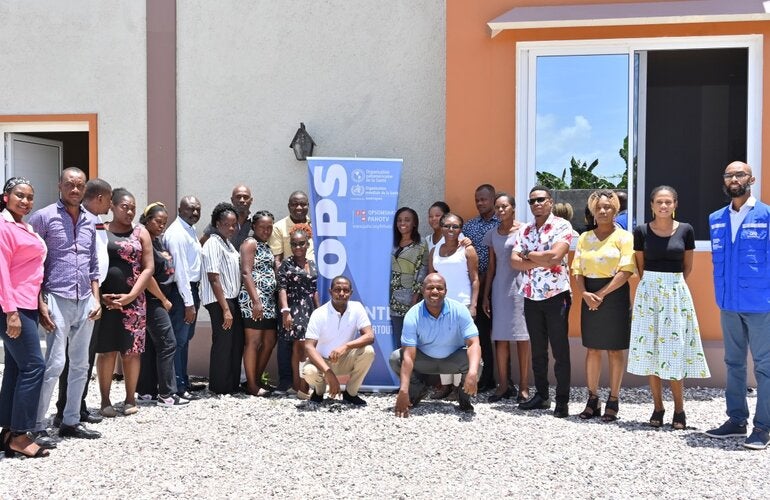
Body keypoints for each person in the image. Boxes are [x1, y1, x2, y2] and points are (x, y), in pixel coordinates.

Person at [627, 185, 709, 430]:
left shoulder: (686, 230)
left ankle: (680, 409)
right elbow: (640, 266)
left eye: (668, 202)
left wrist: (672, 287)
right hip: (648, 293)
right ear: (651, 205)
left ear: (675, 204)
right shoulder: (641, 231)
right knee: (651, 349)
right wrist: (652, 286)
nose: (663, 206)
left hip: (675, 293)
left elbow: (688, 267)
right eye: (659, 202)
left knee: (674, 349)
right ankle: (658, 407)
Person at [29, 167, 102, 443]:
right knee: (55, 363)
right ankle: (36, 426)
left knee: (81, 365)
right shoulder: (43, 218)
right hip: (56, 297)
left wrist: (96, 298)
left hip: (84, 299)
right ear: (59, 185)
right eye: (70, 184)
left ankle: (70, 421)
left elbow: (93, 264)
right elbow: (31, 264)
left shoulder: (89, 221)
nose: (75, 189)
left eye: (80, 185)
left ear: (84, 189)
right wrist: (40, 302)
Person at [705, 161, 770, 449]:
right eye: (729, 174)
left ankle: (763, 427)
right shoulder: (716, 218)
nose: (734, 179)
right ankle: (736, 420)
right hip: (728, 303)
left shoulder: (766, 215)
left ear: (751, 179)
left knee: (765, 366)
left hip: (760, 305)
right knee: (733, 363)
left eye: (739, 174)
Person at [53, 178, 112, 427]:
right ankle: (63, 411)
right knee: (67, 359)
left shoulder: (95, 220)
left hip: (92, 298)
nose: (111, 203)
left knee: (83, 360)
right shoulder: (80, 219)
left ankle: (78, 407)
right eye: (109, 199)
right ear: (100, 198)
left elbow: (96, 263)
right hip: (71, 297)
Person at [572, 190, 635, 422]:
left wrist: (601, 293)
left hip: (615, 296)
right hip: (589, 295)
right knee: (593, 348)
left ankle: (614, 399)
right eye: (599, 207)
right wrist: (586, 293)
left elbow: (627, 269)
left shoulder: (625, 237)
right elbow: (577, 269)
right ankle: (592, 398)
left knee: (615, 349)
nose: (603, 211)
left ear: (615, 209)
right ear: (592, 211)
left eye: (608, 207)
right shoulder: (584, 237)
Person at [511, 186, 573, 418]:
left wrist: (529, 255)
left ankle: (562, 401)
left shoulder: (562, 226)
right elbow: (514, 261)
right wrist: (541, 258)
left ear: (550, 201)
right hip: (531, 295)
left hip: (556, 296)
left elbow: (556, 257)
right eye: (532, 201)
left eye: (540, 199)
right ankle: (542, 396)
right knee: (537, 350)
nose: (536, 204)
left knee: (559, 350)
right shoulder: (525, 230)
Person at [0, 177, 49, 458]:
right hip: (12, 306)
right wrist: (11, 313)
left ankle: (7, 431)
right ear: (6, 197)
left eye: (30, 197)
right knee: (34, 366)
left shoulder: (24, 227)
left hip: (26, 304)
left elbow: (31, 272)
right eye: (20, 195)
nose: (26, 201)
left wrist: (39, 305)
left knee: (17, 368)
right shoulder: (3, 226)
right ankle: (20, 434)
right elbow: (2, 271)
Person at [95, 188, 154, 417]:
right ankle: (105, 401)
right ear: (112, 206)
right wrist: (99, 296)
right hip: (106, 301)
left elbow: (148, 268)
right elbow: (92, 262)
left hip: (134, 303)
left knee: (132, 352)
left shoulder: (141, 233)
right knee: (107, 351)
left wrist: (131, 296)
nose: (129, 211)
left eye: (133, 208)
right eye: (124, 206)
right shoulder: (101, 230)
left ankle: (130, 398)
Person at [390, 273, 481, 416]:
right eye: (430, 287)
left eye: (439, 288)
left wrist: (473, 373)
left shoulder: (459, 310)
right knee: (396, 357)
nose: (434, 291)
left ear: (446, 291)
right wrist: (403, 390)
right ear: (422, 290)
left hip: (453, 359)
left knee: (477, 363)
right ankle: (417, 390)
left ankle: (464, 398)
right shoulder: (413, 314)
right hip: (425, 360)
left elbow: (474, 343)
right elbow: (408, 354)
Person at [135, 203, 189, 407]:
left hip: (160, 299)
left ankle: (146, 391)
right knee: (168, 343)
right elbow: (147, 276)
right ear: (147, 219)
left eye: (164, 223)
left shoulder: (157, 241)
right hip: (153, 300)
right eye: (158, 221)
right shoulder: (144, 241)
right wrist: (164, 299)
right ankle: (167, 394)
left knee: (150, 346)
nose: (161, 226)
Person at [482, 193, 530, 403]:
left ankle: (525, 387)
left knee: (522, 337)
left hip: (520, 287)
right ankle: (503, 385)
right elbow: (491, 266)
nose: (500, 210)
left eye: (504, 206)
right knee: (500, 338)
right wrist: (486, 295)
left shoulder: (525, 230)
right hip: (500, 288)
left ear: (513, 208)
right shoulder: (493, 234)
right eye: (497, 207)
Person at [429, 213, 479, 399]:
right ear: (441, 227)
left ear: (460, 229)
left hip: (462, 304)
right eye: (447, 226)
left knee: (459, 347)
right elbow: (430, 279)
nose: (451, 230)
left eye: (455, 227)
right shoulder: (434, 250)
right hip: (439, 305)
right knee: (441, 344)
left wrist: (473, 305)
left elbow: (475, 279)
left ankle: (459, 387)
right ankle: (445, 385)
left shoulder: (467, 250)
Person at [303, 276, 375, 405]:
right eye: (337, 290)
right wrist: (328, 373)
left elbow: (370, 336)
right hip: (322, 362)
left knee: (368, 351)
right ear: (330, 292)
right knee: (309, 372)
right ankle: (319, 391)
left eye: (346, 290)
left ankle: (350, 393)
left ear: (351, 293)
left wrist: (346, 346)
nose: (341, 293)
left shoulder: (357, 308)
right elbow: (309, 347)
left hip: (345, 359)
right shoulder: (319, 313)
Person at [269, 190, 314, 395]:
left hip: (309, 293)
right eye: (295, 204)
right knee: (287, 341)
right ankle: (286, 381)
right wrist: (284, 280)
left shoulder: (316, 225)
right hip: (290, 292)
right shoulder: (279, 227)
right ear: (289, 206)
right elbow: (277, 258)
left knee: (305, 342)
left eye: (303, 204)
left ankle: (305, 383)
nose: (299, 208)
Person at [201, 202, 244, 395]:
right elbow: (213, 276)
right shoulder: (212, 242)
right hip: (220, 302)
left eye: (234, 224)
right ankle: (219, 387)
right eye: (227, 224)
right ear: (218, 224)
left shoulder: (227, 244)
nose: (232, 228)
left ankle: (231, 385)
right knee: (223, 343)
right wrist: (225, 308)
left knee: (234, 343)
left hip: (231, 300)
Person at [163, 195, 203, 398]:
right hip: (182, 293)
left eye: (197, 209)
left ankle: (183, 381)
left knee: (185, 339)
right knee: (179, 340)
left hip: (191, 290)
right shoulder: (177, 233)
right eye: (190, 209)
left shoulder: (190, 229)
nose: (194, 213)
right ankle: (177, 386)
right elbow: (181, 272)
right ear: (180, 210)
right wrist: (189, 303)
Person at [462, 184, 499, 392]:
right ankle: (486, 378)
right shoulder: (469, 226)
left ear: (493, 199)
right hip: (476, 286)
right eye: (477, 200)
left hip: (499, 285)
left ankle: (506, 379)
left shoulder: (502, 223)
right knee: (482, 333)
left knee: (502, 335)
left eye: (483, 199)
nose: (479, 203)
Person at [239, 210, 279, 396]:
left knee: (270, 340)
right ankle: (252, 385)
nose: (266, 230)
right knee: (253, 342)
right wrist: (256, 301)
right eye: (262, 226)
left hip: (268, 302)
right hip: (253, 301)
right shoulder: (250, 243)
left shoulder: (266, 246)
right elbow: (246, 273)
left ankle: (255, 378)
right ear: (253, 226)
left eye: (269, 227)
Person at [277, 225, 318, 399]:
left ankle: (305, 384)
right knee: (298, 347)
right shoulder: (287, 263)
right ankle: (298, 385)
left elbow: (315, 289)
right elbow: (282, 288)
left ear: (308, 244)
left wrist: (320, 311)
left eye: (301, 244)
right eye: (294, 244)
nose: (298, 247)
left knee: (307, 348)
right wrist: (286, 311)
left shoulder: (313, 265)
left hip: (310, 310)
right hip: (294, 309)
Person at [390, 207, 428, 341]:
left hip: (411, 300)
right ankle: (400, 362)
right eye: (399, 220)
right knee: (398, 338)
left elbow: (422, 271)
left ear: (415, 223)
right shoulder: (391, 243)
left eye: (407, 220)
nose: (402, 223)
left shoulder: (421, 244)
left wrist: (414, 299)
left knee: (411, 339)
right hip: (393, 302)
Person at [200, 185, 253, 249]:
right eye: (238, 197)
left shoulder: (255, 224)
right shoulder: (221, 220)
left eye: (245, 197)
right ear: (232, 200)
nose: (242, 200)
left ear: (251, 200)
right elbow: (202, 243)